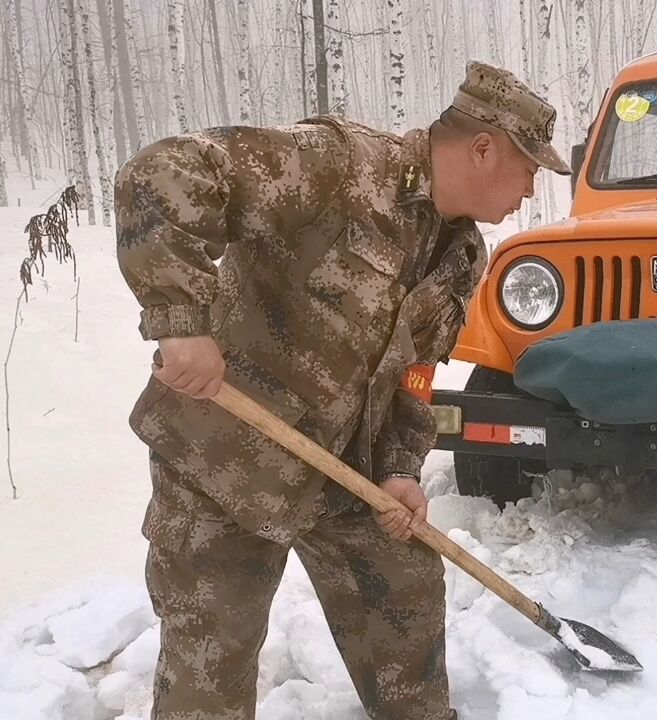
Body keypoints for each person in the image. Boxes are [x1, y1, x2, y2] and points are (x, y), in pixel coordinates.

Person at [114, 60, 569, 720]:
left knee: (404, 592)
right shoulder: (339, 167)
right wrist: (180, 320)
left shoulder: (462, 255)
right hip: (228, 462)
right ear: (483, 148)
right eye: (530, 168)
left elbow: (417, 375)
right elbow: (165, 173)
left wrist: (399, 472)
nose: (530, 190)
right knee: (211, 661)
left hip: (343, 469)